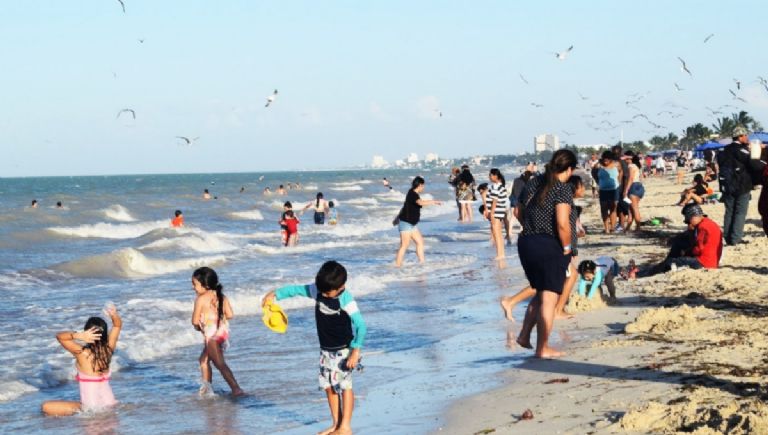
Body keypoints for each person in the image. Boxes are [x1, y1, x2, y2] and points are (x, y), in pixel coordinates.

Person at [262, 261, 366, 435]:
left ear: (341, 286)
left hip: (344, 351)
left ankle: (346, 427)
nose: (324, 294)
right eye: (322, 291)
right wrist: (274, 294)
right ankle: (336, 423)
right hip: (325, 350)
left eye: (327, 292)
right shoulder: (318, 290)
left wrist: (356, 350)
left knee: (345, 386)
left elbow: (361, 326)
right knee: (328, 386)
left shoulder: (345, 298)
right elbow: (295, 290)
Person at [515, 149, 576, 359]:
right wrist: (567, 248)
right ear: (569, 169)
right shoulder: (562, 189)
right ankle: (543, 348)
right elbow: (562, 224)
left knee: (541, 292)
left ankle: (524, 336)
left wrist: (530, 228)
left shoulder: (533, 182)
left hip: (526, 242)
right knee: (549, 297)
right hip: (549, 244)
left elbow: (517, 211)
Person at [500, 174, 585, 322]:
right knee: (551, 281)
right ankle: (514, 302)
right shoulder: (565, 203)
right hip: (555, 248)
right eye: (582, 185)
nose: (584, 188)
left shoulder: (554, 201)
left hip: (540, 244)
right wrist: (570, 250)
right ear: (575, 186)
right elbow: (566, 228)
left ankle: (518, 305)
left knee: (551, 281)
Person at [42, 306, 122, 416]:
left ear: (86, 332)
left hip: (91, 408)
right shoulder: (109, 350)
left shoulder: (82, 353)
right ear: (104, 334)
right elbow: (117, 326)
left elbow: (60, 337)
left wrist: (78, 335)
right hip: (110, 403)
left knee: (46, 407)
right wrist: (114, 315)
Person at [191, 267, 244, 397]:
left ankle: (236, 389)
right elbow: (230, 315)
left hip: (211, 336)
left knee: (220, 364)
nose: (193, 288)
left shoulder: (201, 299)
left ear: (205, 284)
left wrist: (199, 327)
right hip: (222, 333)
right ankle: (206, 388)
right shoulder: (221, 296)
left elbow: (194, 321)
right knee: (203, 360)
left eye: (195, 284)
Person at [650, 204, 723, 274]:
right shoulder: (708, 223)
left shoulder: (703, 227)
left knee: (670, 262)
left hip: (704, 262)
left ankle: (649, 272)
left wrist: (686, 252)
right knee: (679, 243)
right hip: (712, 259)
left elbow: (698, 249)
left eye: (688, 221)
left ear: (693, 217)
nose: (688, 224)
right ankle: (666, 263)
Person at [718, 126, 755, 245]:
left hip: (726, 184)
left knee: (729, 211)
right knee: (740, 212)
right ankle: (735, 239)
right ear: (740, 136)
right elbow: (752, 163)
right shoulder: (741, 150)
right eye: (745, 135)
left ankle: (727, 237)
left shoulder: (723, 150)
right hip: (741, 185)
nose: (747, 137)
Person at [395, 176, 442, 267]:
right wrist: (433, 202)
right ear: (420, 185)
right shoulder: (413, 194)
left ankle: (422, 263)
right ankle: (397, 265)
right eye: (423, 186)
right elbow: (420, 202)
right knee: (404, 246)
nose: (423, 188)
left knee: (420, 242)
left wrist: (396, 218)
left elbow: (405, 207)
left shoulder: (411, 193)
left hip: (411, 224)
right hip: (406, 224)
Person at [485, 169, 509, 260]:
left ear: (495, 176)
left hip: (496, 211)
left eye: (490, 175)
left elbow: (494, 200)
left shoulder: (496, 186)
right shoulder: (500, 186)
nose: (489, 177)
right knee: (498, 233)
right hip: (499, 211)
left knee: (497, 233)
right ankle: (501, 253)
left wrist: (492, 212)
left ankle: (500, 254)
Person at [597, 151, 622, 234]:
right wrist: (599, 182)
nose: (605, 160)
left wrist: (618, 181)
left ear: (611, 159)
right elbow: (593, 173)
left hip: (614, 190)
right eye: (604, 158)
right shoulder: (599, 165)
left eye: (608, 158)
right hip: (603, 191)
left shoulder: (616, 165)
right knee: (604, 209)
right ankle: (606, 228)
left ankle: (613, 228)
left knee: (613, 209)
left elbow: (621, 172)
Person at [622, 151, 644, 231]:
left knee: (634, 208)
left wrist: (626, 190)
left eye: (626, 158)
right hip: (639, 186)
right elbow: (641, 178)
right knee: (631, 209)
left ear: (629, 159)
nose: (625, 160)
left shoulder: (631, 166)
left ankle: (638, 228)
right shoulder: (637, 165)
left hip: (633, 186)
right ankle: (627, 228)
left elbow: (630, 178)